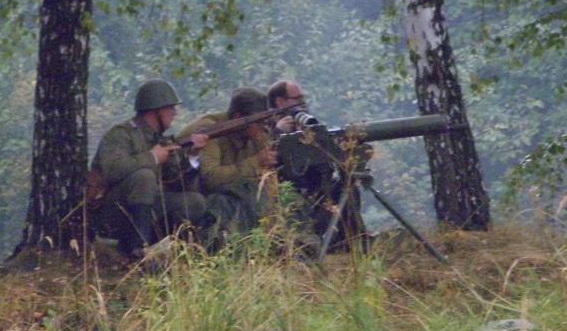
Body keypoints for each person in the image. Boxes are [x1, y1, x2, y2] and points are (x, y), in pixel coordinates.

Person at [89, 79, 209, 259]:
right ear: (156, 111)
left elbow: (176, 181)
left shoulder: (161, 139)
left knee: (194, 202)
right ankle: (138, 250)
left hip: (146, 207)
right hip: (112, 212)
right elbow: (112, 170)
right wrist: (152, 157)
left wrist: (192, 155)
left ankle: (167, 249)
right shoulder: (120, 134)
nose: (175, 113)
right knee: (144, 177)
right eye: (170, 108)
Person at [267, 79, 369, 252]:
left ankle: (349, 243)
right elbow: (265, 163)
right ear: (280, 102)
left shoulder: (308, 126)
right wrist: (278, 133)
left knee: (348, 190)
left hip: (318, 199)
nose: (303, 104)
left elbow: (328, 166)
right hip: (287, 204)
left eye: (303, 98)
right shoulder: (266, 128)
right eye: (297, 99)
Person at [176, 87, 277, 239]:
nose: (264, 126)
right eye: (259, 122)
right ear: (238, 117)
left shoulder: (254, 134)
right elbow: (211, 178)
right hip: (194, 200)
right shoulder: (210, 130)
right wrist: (256, 163)